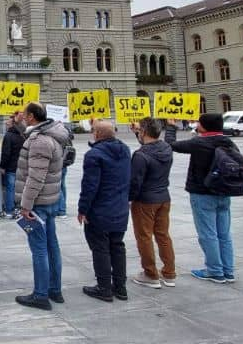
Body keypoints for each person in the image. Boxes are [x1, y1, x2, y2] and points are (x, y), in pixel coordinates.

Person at [13, 103, 71, 310]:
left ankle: (40, 295)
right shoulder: (52, 135)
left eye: (25, 115)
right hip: (50, 200)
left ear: (31, 117)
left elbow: (35, 177)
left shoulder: (39, 141)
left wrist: (25, 205)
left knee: (39, 249)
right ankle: (54, 289)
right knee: (51, 246)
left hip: (37, 203)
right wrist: (20, 126)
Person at [169, 113, 240, 283]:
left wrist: (171, 126)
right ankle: (228, 271)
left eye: (199, 122)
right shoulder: (228, 141)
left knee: (208, 233)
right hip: (224, 192)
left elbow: (171, 145)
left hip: (202, 193)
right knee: (224, 234)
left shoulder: (199, 142)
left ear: (204, 126)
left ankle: (214, 271)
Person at [78, 120, 131, 303]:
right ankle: (120, 287)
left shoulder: (94, 155)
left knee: (100, 248)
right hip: (121, 208)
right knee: (117, 246)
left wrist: (82, 209)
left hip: (100, 210)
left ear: (97, 134)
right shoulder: (125, 150)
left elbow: (90, 186)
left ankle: (104, 288)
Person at [128, 118, 176, 289]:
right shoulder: (166, 148)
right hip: (164, 197)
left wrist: (128, 198)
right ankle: (169, 273)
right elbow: (149, 145)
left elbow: (135, 182)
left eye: (140, 130)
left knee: (144, 237)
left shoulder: (140, 155)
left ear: (144, 132)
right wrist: (137, 132)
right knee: (163, 236)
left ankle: (150, 274)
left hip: (145, 200)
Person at [0, 112, 26, 218]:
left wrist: (2, 166)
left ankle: (9, 210)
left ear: (13, 124)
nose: (6, 124)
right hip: (21, 166)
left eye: (8, 123)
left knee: (10, 189)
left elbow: (6, 153)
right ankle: (19, 208)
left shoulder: (8, 136)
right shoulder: (23, 135)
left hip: (11, 167)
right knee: (20, 189)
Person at [54, 123, 75, 218]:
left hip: (58, 164)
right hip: (65, 164)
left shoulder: (58, 138)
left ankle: (61, 210)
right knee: (62, 186)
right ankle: (63, 207)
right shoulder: (67, 137)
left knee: (58, 187)